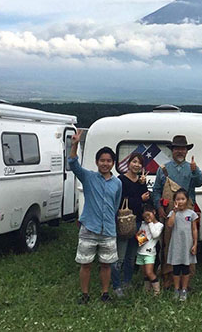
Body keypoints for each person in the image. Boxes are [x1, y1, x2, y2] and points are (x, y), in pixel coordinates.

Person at [67, 129, 123, 305]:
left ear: (113, 163)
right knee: (86, 264)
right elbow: (73, 163)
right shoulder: (88, 177)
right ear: (97, 162)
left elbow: (116, 204)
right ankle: (85, 295)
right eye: (102, 160)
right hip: (89, 227)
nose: (105, 164)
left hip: (108, 229)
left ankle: (105, 293)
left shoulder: (117, 183)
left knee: (107, 264)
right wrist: (75, 144)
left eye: (108, 161)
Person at [152, 135, 202, 285]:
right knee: (168, 243)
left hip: (188, 213)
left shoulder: (192, 167)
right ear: (172, 151)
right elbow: (156, 191)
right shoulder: (164, 169)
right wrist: (159, 207)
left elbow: (200, 182)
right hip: (170, 213)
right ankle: (168, 277)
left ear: (187, 151)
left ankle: (187, 278)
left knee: (189, 243)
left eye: (183, 149)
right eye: (177, 149)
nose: (180, 151)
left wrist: (196, 171)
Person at [112, 152, 151, 297]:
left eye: (140, 163)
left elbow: (146, 200)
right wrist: (139, 198)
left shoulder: (141, 181)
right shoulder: (121, 180)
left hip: (139, 222)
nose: (137, 165)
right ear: (128, 163)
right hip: (124, 221)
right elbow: (121, 200)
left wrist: (143, 186)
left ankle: (127, 282)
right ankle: (116, 285)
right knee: (120, 256)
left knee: (132, 255)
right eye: (134, 161)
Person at [166, 188, 199, 302]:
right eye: (178, 199)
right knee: (176, 268)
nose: (180, 201)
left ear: (187, 200)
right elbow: (169, 225)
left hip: (187, 245)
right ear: (174, 201)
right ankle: (176, 289)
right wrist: (174, 212)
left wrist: (195, 244)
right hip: (176, 245)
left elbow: (194, 229)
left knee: (186, 268)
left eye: (183, 199)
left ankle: (184, 289)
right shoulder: (172, 213)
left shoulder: (191, 214)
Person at [136, 205, 164, 296]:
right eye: (145, 216)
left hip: (150, 253)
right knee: (144, 273)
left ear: (154, 212)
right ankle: (147, 290)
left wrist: (150, 223)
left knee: (149, 272)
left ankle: (157, 291)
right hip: (141, 251)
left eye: (149, 215)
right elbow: (141, 237)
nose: (147, 218)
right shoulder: (143, 224)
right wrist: (139, 236)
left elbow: (155, 235)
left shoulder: (159, 225)